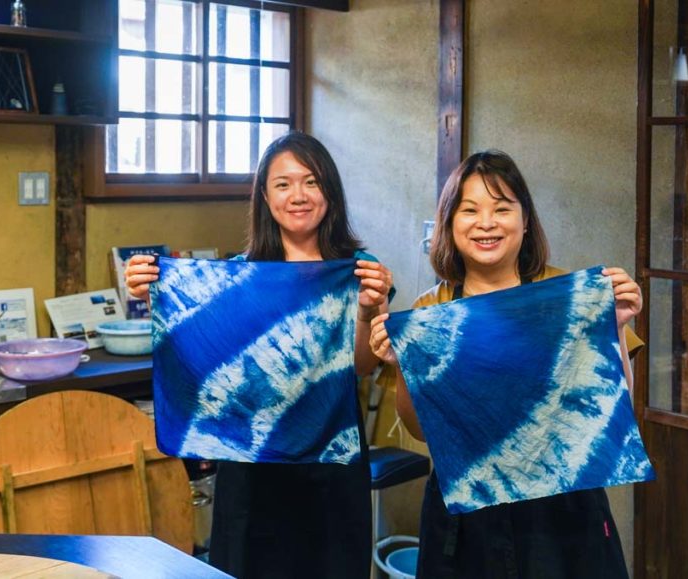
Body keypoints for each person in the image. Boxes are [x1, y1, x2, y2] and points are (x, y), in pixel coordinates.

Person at [125, 131, 393, 579]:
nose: (298, 195)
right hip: (251, 467)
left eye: (311, 181)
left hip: (330, 468)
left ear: (330, 191)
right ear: (265, 197)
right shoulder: (238, 277)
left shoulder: (359, 270)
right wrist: (158, 294)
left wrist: (369, 310)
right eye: (283, 184)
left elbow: (361, 368)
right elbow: (204, 357)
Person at [369, 150, 643, 579]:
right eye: (470, 209)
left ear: (526, 219)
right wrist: (401, 364)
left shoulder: (567, 294)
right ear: (450, 222)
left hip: (562, 507)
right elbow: (421, 430)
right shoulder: (432, 309)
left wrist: (617, 330)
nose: (486, 223)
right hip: (465, 513)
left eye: (502, 208)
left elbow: (611, 410)